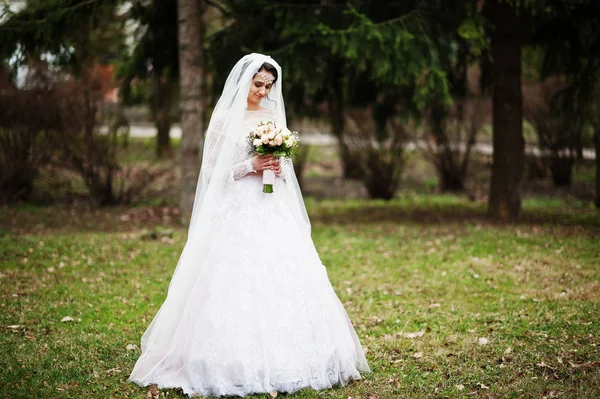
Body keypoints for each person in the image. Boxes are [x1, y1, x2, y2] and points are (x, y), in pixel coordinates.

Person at [128, 53, 370, 397]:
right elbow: (211, 172)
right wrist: (250, 165)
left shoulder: (272, 115)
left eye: (269, 85)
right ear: (244, 81)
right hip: (237, 205)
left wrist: (277, 166)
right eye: (258, 84)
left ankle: (294, 356)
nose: (263, 91)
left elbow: (282, 166)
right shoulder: (225, 118)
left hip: (271, 204)